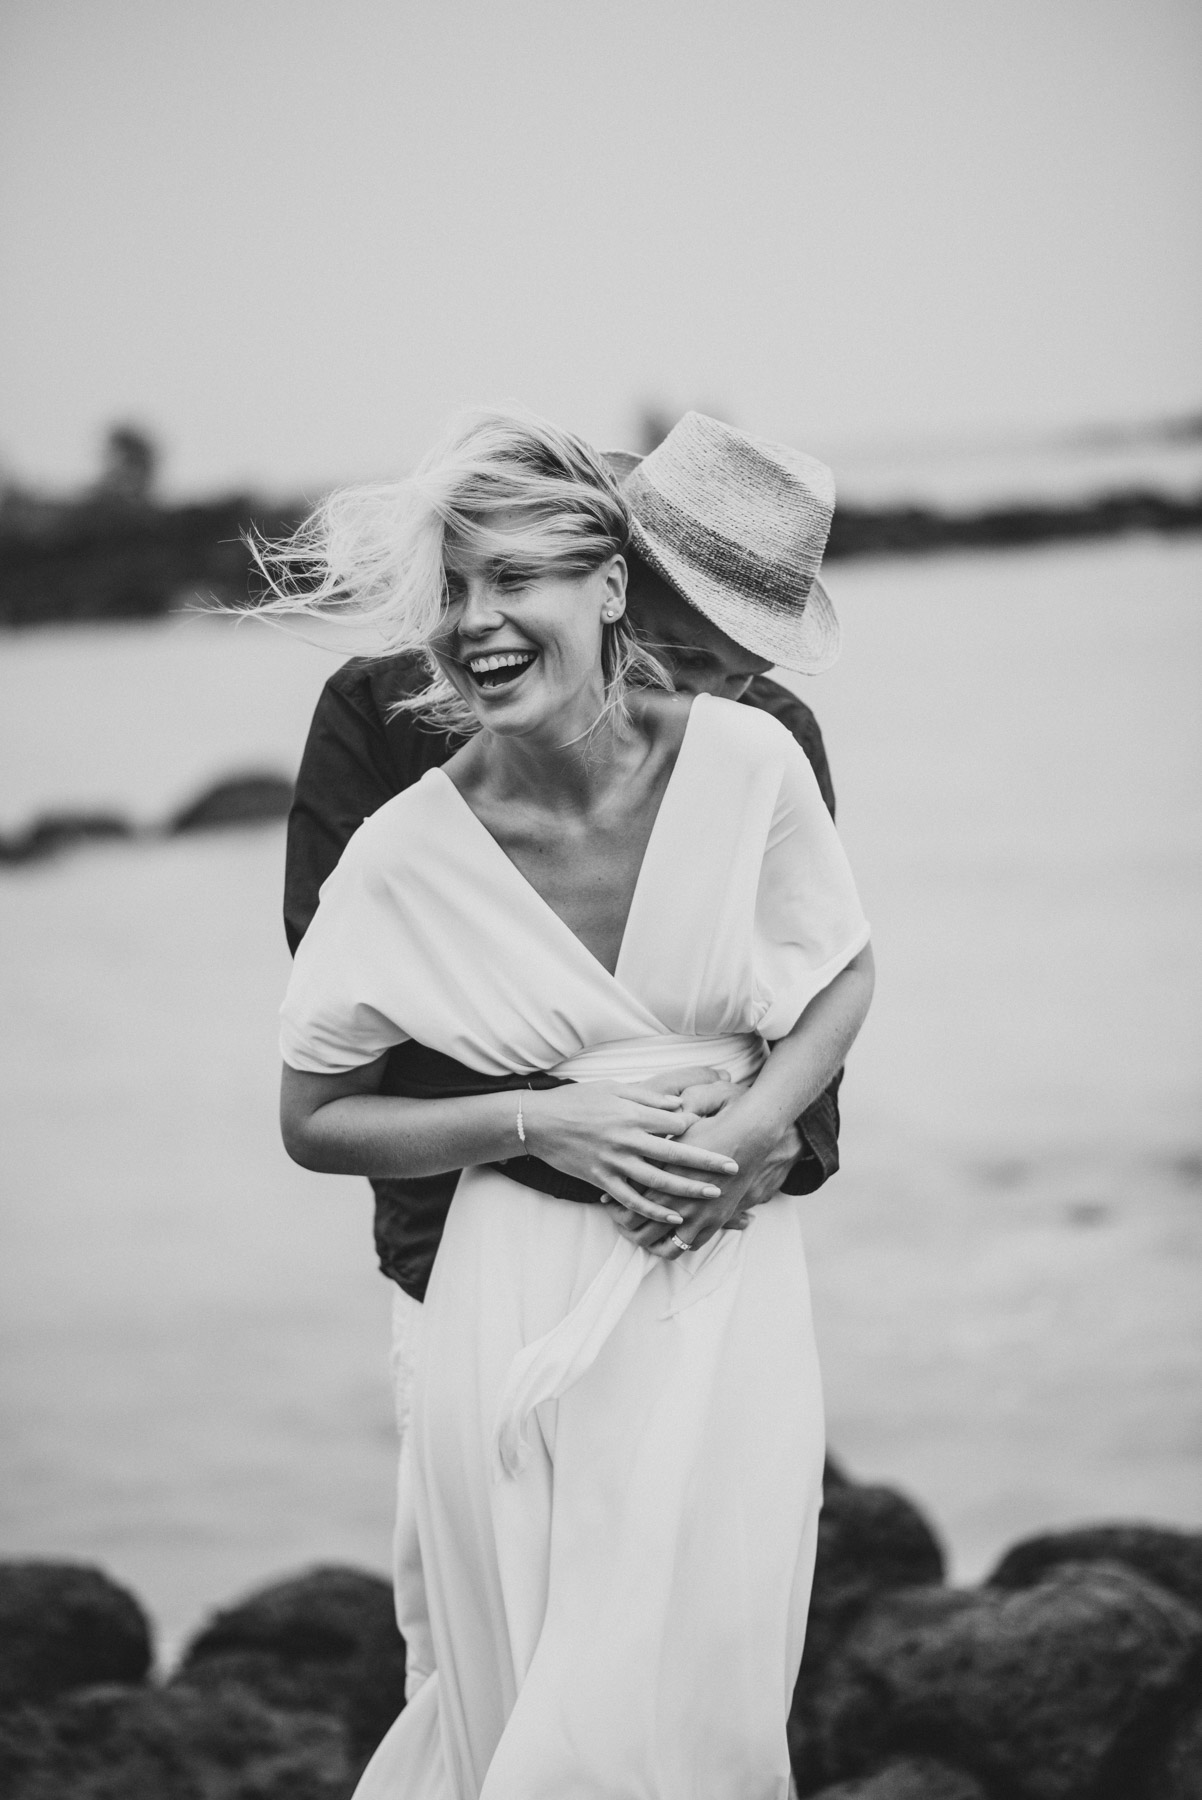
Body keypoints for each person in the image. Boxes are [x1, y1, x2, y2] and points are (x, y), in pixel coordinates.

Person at [272, 408, 874, 1798]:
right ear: (620, 573)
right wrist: (573, 1132)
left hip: (706, 1259)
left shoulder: (758, 733)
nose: (726, 662)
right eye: (707, 619)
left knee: (698, 1672)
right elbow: (361, 1031)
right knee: (485, 1661)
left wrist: (751, 1146)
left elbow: (812, 994)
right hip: (461, 1259)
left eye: (746, 637)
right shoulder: (387, 730)